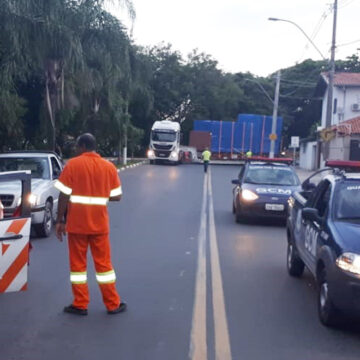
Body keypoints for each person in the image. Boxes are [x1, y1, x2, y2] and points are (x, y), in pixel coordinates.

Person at [55, 133, 126, 316]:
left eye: (77, 147)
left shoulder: (73, 165)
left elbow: (63, 195)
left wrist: (60, 220)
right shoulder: (108, 167)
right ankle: (112, 304)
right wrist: (100, 193)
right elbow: (117, 196)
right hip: (99, 226)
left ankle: (80, 304)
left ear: (82, 146)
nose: (76, 150)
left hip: (77, 225)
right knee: (104, 266)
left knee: (78, 267)